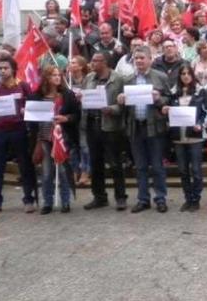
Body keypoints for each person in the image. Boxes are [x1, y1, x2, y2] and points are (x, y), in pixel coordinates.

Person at [118, 46, 171, 213]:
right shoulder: (127, 80)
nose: (139, 61)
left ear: (150, 59)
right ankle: (143, 199)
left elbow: (169, 99)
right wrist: (120, 100)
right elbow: (122, 106)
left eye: (142, 58)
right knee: (140, 166)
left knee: (156, 165)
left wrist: (159, 99)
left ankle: (160, 198)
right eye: (136, 58)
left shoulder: (160, 77)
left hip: (154, 127)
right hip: (135, 127)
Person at [0, 55, 36, 215]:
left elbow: (32, 105)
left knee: (25, 166)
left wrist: (27, 111)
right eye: (0, 68)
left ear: (13, 69)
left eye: (6, 68)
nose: (3, 71)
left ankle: (28, 199)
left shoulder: (23, 86)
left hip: (18, 130)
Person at [79, 52, 128, 211]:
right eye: (91, 60)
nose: (92, 63)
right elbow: (85, 98)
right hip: (92, 124)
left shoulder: (118, 79)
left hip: (111, 126)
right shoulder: (88, 78)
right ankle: (99, 197)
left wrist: (111, 109)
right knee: (95, 163)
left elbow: (124, 103)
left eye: (95, 61)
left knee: (115, 163)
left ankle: (120, 197)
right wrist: (81, 98)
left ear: (105, 62)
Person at [29, 65, 79, 214]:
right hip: (44, 138)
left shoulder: (67, 95)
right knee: (46, 172)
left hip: (62, 138)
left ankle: (65, 201)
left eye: (59, 74)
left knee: (64, 171)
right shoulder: (36, 95)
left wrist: (66, 118)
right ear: (46, 78)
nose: (57, 77)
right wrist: (28, 112)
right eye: (53, 75)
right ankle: (47, 202)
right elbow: (32, 118)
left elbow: (77, 114)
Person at [162, 65, 207, 212]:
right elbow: (168, 112)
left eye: (188, 73)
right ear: (179, 76)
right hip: (178, 137)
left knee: (196, 169)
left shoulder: (200, 92)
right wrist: (166, 110)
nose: (186, 76)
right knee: (182, 170)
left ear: (193, 75)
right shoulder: (174, 94)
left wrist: (200, 124)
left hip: (195, 137)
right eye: (183, 74)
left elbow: (206, 112)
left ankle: (196, 199)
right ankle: (187, 198)